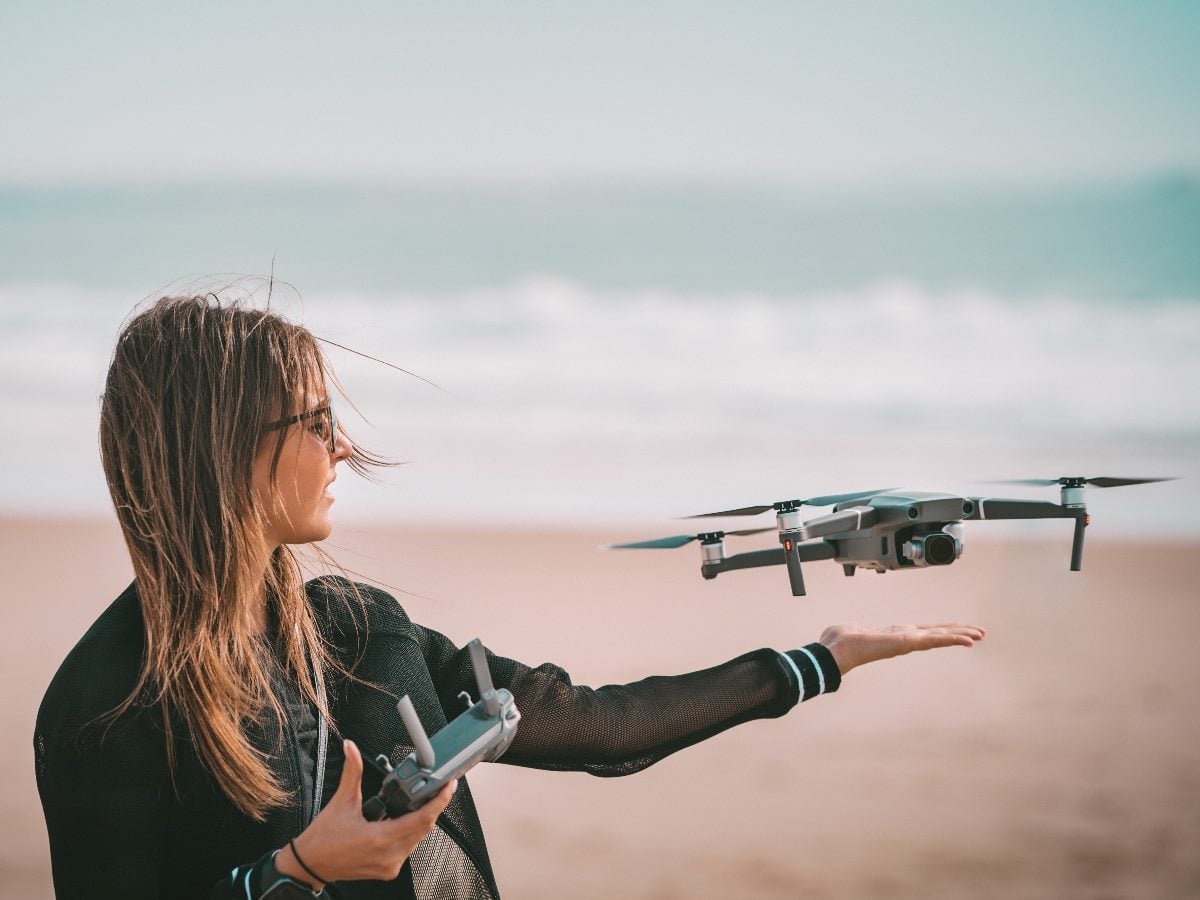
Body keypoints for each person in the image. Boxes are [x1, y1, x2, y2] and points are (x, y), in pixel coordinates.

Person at [34, 293, 986, 900]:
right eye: (315, 420)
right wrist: (296, 875)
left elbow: (597, 726)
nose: (342, 450)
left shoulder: (358, 630)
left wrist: (816, 661)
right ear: (224, 449)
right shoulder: (104, 706)